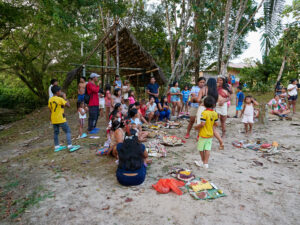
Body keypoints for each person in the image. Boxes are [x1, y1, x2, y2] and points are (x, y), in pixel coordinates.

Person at [48, 86, 79, 152]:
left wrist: (50, 119)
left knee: (56, 132)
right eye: (60, 91)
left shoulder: (50, 100)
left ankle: (57, 146)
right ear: (57, 92)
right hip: (61, 118)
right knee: (67, 131)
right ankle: (70, 146)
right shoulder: (60, 99)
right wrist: (65, 97)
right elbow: (68, 105)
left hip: (54, 119)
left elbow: (50, 110)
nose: (61, 92)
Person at [196, 78, 224, 150]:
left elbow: (198, 100)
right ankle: (221, 142)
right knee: (213, 128)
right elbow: (218, 101)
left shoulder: (203, 89)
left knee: (201, 125)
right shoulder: (216, 92)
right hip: (212, 110)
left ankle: (202, 141)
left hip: (203, 109)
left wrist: (195, 98)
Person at [194, 96, 219, 169]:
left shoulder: (204, 113)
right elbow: (217, 124)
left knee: (201, 148)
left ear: (204, 104)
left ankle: (202, 161)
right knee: (207, 149)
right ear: (214, 105)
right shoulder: (215, 113)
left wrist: (196, 127)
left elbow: (202, 124)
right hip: (210, 134)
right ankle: (206, 163)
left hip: (203, 134)